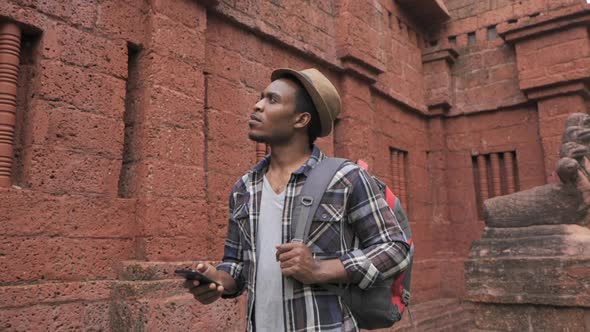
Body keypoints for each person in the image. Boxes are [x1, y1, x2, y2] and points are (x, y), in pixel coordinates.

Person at [183, 68, 411, 332]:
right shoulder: (244, 188)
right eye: (260, 98)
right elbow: (237, 264)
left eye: (272, 100)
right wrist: (218, 280)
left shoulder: (346, 178)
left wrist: (321, 268)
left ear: (301, 119)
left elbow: (395, 248)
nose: (257, 106)